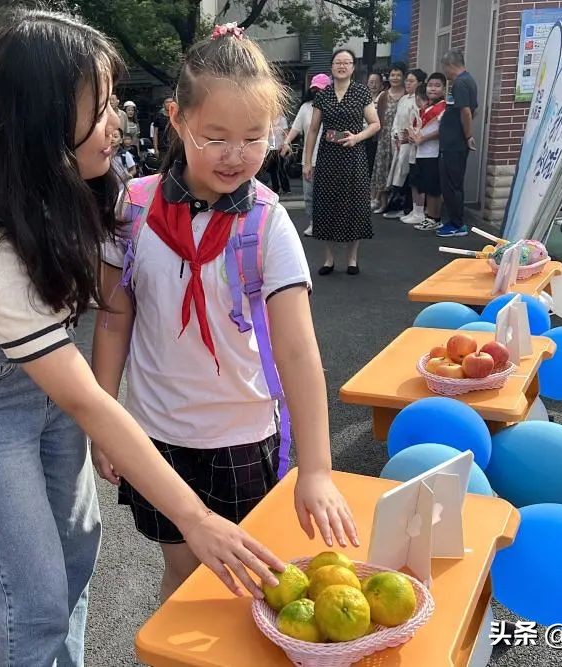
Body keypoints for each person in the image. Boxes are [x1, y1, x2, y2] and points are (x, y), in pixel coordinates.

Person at [0, 10, 285, 665]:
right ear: (43, 116)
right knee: (31, 595)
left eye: (114, 101)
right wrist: (196, 518)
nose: (116, 117)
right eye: (102, 103)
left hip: (51, 370)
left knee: (76, 554)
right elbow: (89, 397)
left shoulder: (80, 188)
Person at [94, 24, 359, 604]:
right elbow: (114, 318)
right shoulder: (132, 209)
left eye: (253, 138)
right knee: (185, 574)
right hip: (154, 437)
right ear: (177, 118)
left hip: (242, 438)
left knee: (247, 586)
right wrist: (105, 421)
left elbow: (297, 350)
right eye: (215, 136)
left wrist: (316, 468)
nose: (236, 156)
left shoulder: (267, 222)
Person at [303, 48, 381, 275]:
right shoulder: (323, 94)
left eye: (347, 62)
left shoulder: (361, 92)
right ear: (331, 66)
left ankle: (352, 259)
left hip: (354, 156)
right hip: (328, 156)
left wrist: (357, 137)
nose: (342, 66)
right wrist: (307, 162)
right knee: (326, 206)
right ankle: (328, 259)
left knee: (354, 205)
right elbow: (313, 130)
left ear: (353, 67)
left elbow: (375, 124)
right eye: (338, 62)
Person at [282, 73, 331, 236]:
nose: (318, 93)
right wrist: (286, 142)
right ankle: (313, 223)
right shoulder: (306, 107)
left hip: (330, 159)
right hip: (309, 159)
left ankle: (328, 223)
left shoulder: (334, 107)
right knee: (309, 195)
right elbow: (296, 128)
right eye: (315, 90)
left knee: (327, 194)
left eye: (322, 90)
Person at [436, 49, 479, 238]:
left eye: (444, 68)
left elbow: (466, 111)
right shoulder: (468, 81)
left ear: (449, 65)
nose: (444, 72)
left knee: (452, 184)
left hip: (454, 144)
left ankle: (457, 223)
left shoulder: (460, 83)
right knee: (451, 183)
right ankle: (454, 221)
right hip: (453, 141)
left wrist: (468, 134)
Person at [386, 68, 426, 221]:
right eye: (407, 80)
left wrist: (407, 136)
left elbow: (419, 122)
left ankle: (410, 207)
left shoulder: (419, 100)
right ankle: (402, 207)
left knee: (408, 175)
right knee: (399, 174)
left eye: (411, 81)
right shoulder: (403, 99)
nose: (407, 83)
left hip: (411, 143)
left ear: (420, 83)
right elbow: (396, 120)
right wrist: (396, 135)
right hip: (399, 143)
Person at [412, 75, 447, 232]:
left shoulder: (444, 106)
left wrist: (423, 138)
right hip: (422, 152)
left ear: (444, 88)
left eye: (437, 85)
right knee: (426, 185)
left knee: (434, 188)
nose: (433, 88)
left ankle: (435, 217)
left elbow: (441, 130)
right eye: (430, 85)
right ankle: (429, 216)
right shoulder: (426, 107)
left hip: (433, 152)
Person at [371, 63, 407, 214]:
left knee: (397, 168)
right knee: (382, 169)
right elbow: (374, 114)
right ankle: (382, 202)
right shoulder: (384, 95)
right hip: (384, 137)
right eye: (393, 75)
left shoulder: (407, 94)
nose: (395, 78)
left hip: (401, 138)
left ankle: (396, 204)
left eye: (398, 75)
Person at [365, 71, 384, 186]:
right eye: (371, 82)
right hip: (362, 135)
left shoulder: (383, 98)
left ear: (382, 85)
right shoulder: (362, 98)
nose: (373, 85)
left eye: (376, 82)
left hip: (377, 137)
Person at [266, 112, 291, 194]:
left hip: (280, 148)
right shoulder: (267, 119)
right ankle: (275, 188)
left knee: (282, 169)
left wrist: (285, 144)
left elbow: (286, 133)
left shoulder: (282, 119)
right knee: (272, 170)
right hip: (270, 148)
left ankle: (286, 188)